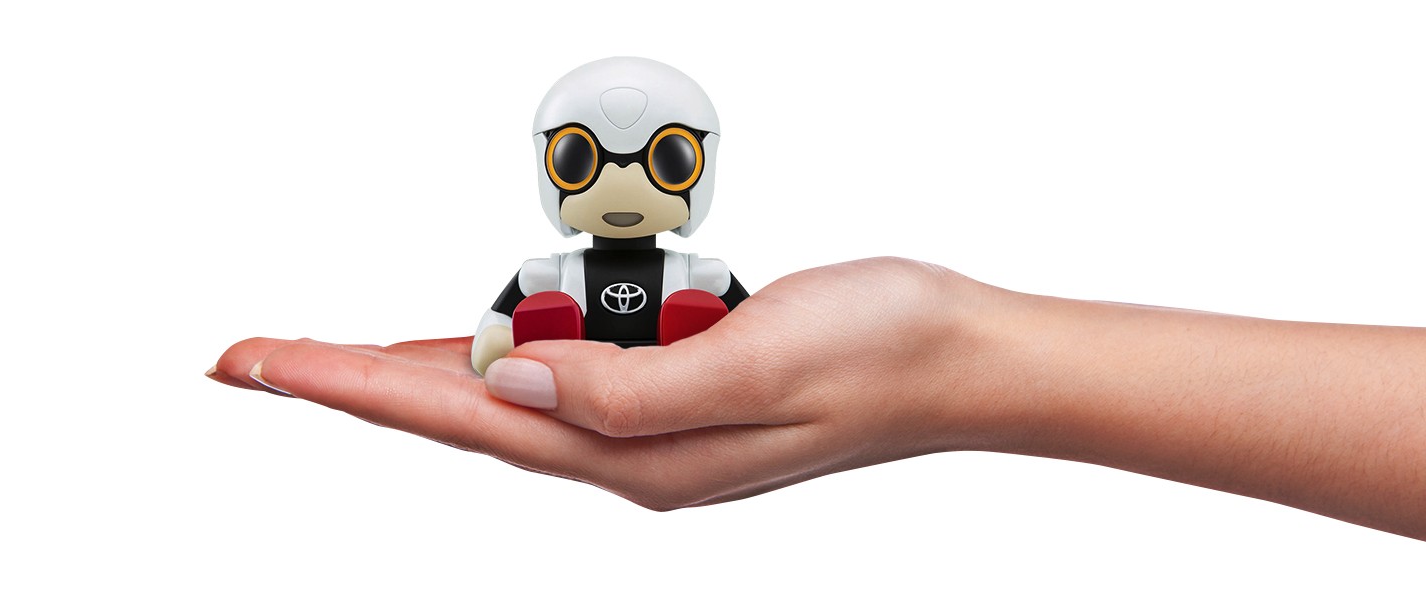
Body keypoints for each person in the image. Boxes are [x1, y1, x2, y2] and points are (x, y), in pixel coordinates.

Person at [206, 256, 1426, 540]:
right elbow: (500, 328)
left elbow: (727, 309)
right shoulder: (552, 276)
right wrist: (953, 352)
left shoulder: (692, 273)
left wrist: (949, 360)